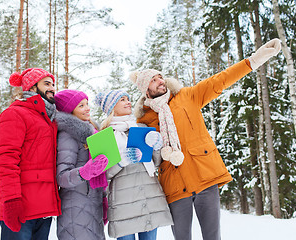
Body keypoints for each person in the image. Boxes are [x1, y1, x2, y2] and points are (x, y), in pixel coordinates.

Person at [130, 38, 282, 240]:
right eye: (154, 80)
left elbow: (220, 80)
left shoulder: (187, 96)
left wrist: (254, 60)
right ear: (145, 89)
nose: (161, 81)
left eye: (161, 77)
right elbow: (142, 154)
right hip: (174, 185)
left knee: (212, 236)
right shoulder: (144, 119)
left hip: (204, 176)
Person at [95, 89, 173, 240]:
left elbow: (155, 163)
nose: (128, 102)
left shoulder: (142, 129)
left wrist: (156, 146)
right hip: (124, 204)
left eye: (128, 99)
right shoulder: (104, 136)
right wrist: (121, 161)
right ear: (112, 107)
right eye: (122, 99)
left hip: (148, 198)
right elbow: (102, 175)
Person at [0, 68, 61, 240]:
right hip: (21, 208)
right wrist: (11, 200)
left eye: (53, 84)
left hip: (44, 209)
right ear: (31, 87)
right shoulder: (15, 113)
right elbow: (5, 159)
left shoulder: (50, 119)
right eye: (46, 84)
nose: (52, 88)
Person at [54, 89, 109, 240]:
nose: (87, 108)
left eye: (87, 104)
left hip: (93, 203)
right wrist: (86, 171)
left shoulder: (93, 132)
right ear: (70, 110)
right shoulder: (68, 134)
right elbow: (62, 177)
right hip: (75, 208)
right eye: (81, 105)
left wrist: (103, 197)